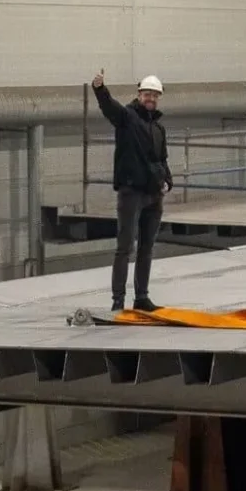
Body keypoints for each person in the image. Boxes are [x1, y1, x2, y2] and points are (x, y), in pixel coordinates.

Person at [92, 69, 173, 312]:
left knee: (147, 247)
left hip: (153, 194)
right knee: (125, 248)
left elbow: (162, 158)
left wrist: (168, 180)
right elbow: (109, 107)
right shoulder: (126, 118)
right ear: (139, 95)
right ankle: (118, 301)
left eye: (155, 95)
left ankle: (142, 297)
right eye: (147, 94)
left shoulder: (159, 128)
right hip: (131, 192)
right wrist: (100, 89)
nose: (151, 98)